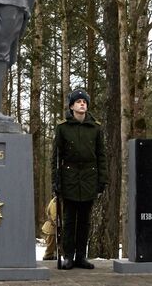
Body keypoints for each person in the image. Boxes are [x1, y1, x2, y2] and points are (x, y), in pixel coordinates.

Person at [51, 89, 108, 270]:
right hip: (69, 176)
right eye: (78, 101)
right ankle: (68, 256)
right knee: (69, 219)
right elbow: (55, 157)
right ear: (71, 106)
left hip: (89, 177)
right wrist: (56, 180)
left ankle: (81, 256)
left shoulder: (96, 127)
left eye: (85, 101)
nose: (82, 104)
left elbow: (101, 155)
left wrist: (102, 179)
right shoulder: (62, 127)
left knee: (85, 220)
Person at [41, 196, 57, 261]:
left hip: (53, 226)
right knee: (51, 243)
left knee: (53, 243)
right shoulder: (54, 202)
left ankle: (52, 255)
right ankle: (48, 256)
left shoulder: (55, 201)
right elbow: (54, 216)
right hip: (52, 227)